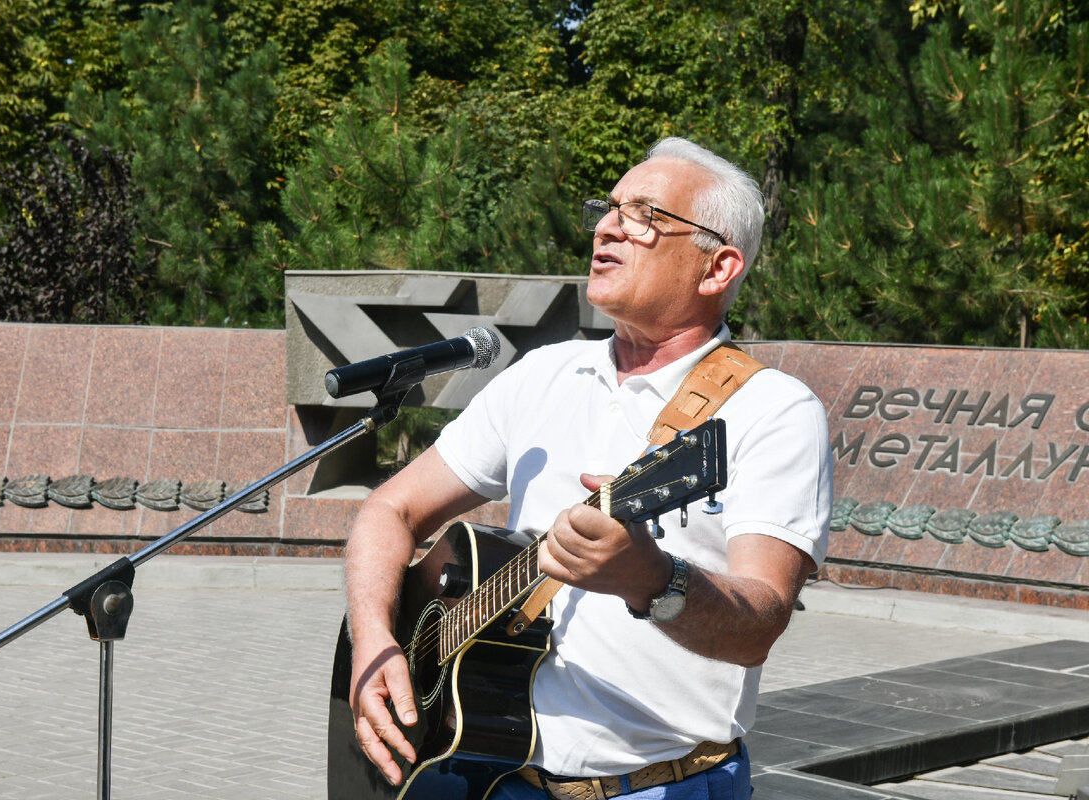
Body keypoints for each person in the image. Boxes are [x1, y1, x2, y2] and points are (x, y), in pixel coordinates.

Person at [342, 137, 833, 800]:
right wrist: (375, 641)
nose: (607, 226)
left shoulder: (771, 409)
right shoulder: (543, 374)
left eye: (645, 216)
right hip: (479, 770)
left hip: (660, 786)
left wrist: (654, 580)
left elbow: (761, 621)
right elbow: (389, 509)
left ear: (717, 268)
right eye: (608, 209)